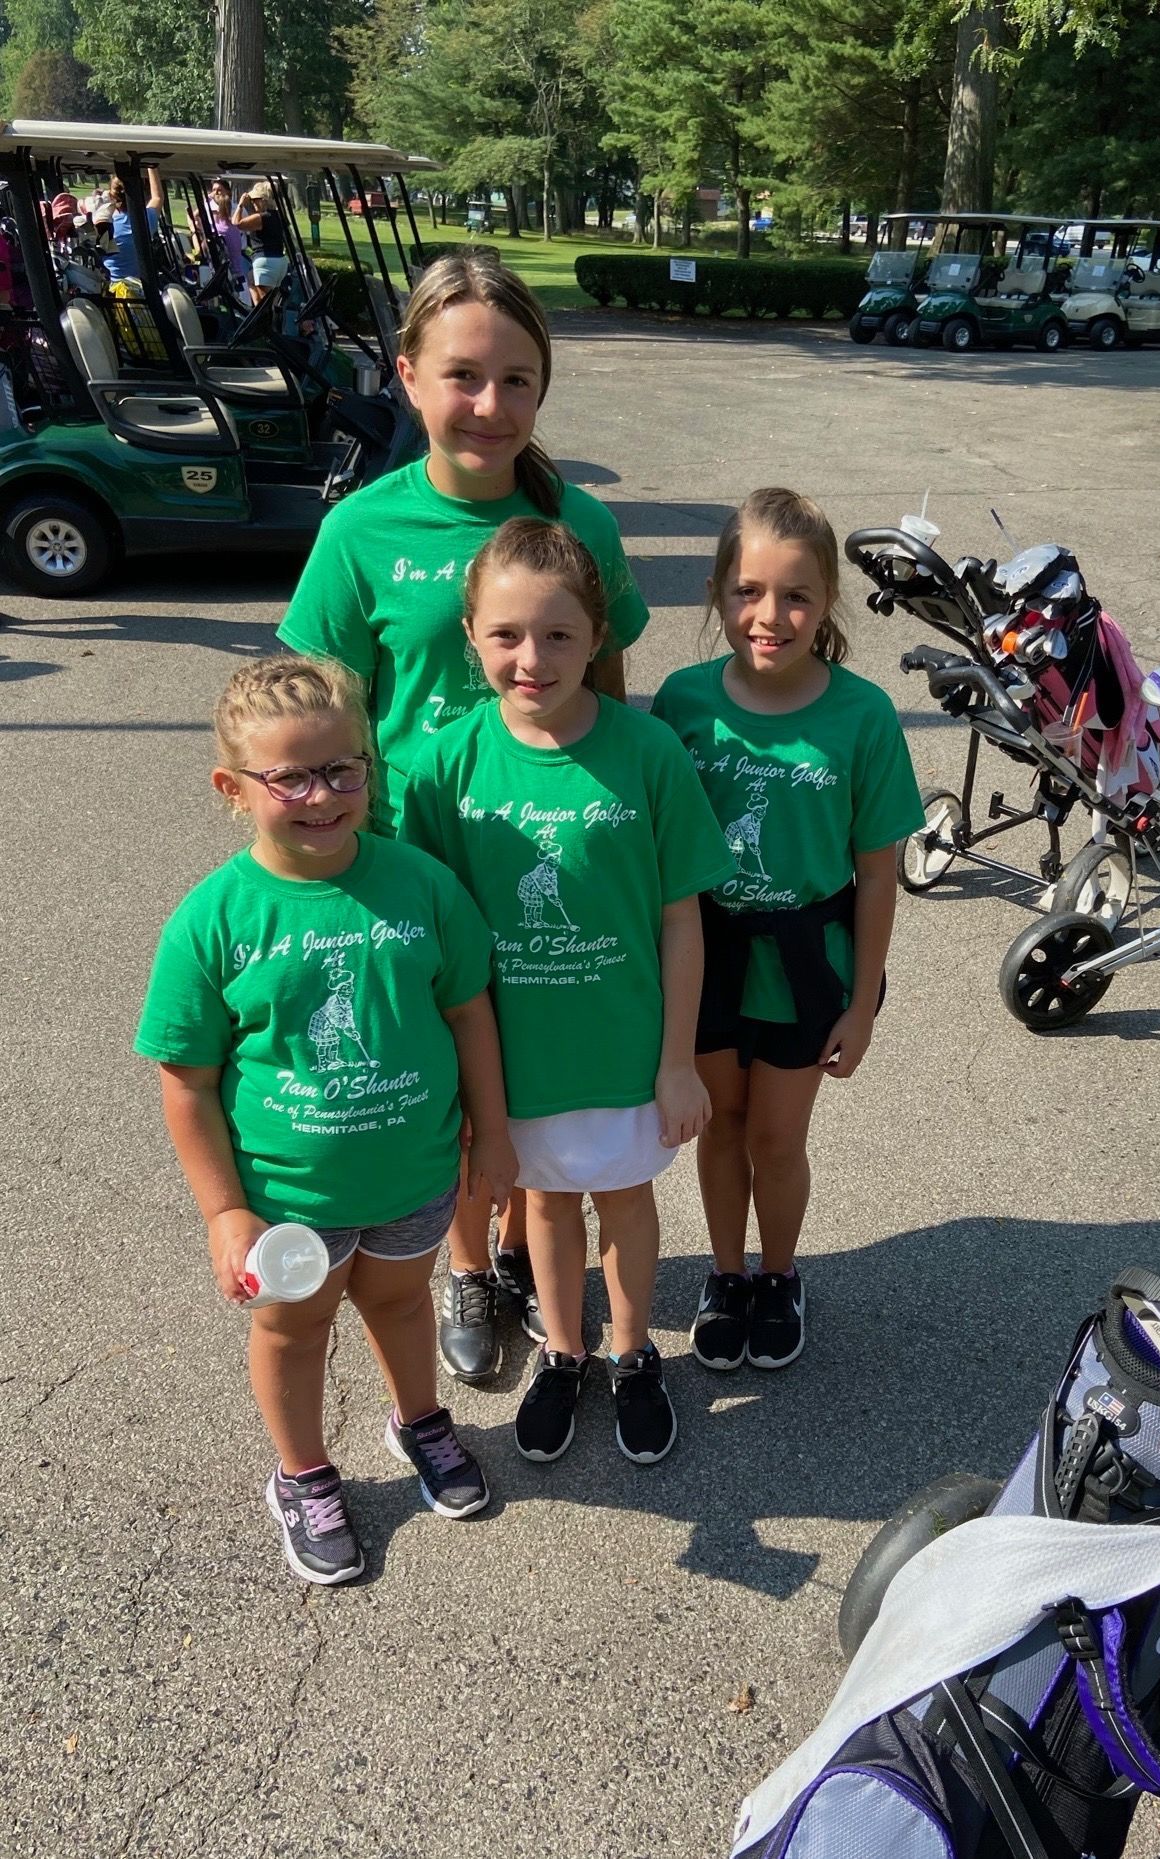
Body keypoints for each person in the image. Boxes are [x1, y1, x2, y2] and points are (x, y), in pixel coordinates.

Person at [277, 250, 650, 1387]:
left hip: (548, 854)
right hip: (416, 862)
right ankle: (470, 1264)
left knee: (541, 1079)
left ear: (544, 389)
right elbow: (316, 708)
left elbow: (616, 681)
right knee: (452, 1085)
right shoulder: (360, 533)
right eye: (463, 376)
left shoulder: (577, 520)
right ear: (406, 376)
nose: (490, 406)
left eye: (518, 381)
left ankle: (555, 1269)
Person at [134, 655, 517, 1585]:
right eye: (291, 777)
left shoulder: (421, 884)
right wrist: (226, 1212)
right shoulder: (213, 920)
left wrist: (493, 1132)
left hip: (415, 1175)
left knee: (397, 1302)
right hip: (286, 1198)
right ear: (233, 788)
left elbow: (469, 1010)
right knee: (294, 1331)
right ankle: (302, 1473)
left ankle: (418, 1420)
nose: (323, 795)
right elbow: (185, 1082)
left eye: (345, 768)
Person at [401, 519, 734, 1466]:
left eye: (557, 635)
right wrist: (459, 1088)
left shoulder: (647, 752)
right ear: (470, 634)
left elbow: (680, 918)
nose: (531, 658)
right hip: (512, 1057)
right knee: (543, 1206)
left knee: (624, 1202)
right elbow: (426, 936)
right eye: (505, 634)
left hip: (625, 1047)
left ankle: (631, 1353)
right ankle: (563, 1348)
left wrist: (676, 1061)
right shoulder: (442, 767)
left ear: (598, 637)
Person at [651, 488, 924, 1373]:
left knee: (776, 1138)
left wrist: (866, 1005)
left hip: (810, 964)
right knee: (719, 1126)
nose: (770, 616)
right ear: (716, 591)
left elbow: (878, 874)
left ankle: (777, 1273)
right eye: (748, 591)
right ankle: (724, 1275)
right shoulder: (682, 704)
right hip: (706, 957)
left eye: (796, 596)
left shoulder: (863, 714)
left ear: (827, 604)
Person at [92, 168, 165, 284]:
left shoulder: (105, 227)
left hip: (116, 291)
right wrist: (152, 167)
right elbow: (158, 197)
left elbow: (102, 258)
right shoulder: (146, 219)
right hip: (143, 289)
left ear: (111, 196)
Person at [235, 180, 288, 301]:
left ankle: (266, 319)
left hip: (265, 262)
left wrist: (240, 205)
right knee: (251, 278)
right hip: (280, 261)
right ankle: (258, 316)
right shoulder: (280, 216)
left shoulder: (262, 217)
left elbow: (236, 223)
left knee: (265, 302)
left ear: (263, 200)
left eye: (255, 200)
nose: (252, 203)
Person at [205, 179, 252, 299]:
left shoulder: (238, 209)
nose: (216, 193)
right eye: (214, 190)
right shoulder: (208, 209)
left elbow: (246, 231)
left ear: (228, 192)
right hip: (219, 259)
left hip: (237, 257)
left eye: (219, 190)